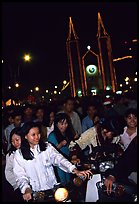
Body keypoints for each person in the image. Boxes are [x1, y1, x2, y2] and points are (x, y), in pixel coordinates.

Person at [13, 121, 92, 202]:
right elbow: (20, 176)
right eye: (33, 135)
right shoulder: (18, 155)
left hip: (53, 191)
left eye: (38, 133)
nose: (37, 137)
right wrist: (26, 189)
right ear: (26, 136)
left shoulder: (47, 147)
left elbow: (60, 159)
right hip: (35, 194)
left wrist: (75, 170)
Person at [48, 112, 76, 184]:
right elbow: (50, 153)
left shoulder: (67, 134)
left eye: (66, 123)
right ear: (56, 124)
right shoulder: (52, 136)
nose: (64, 126)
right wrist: (60, 144)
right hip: (58, 165)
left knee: (69, 182)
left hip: (68, 161)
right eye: (62, 124)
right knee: (62, 183)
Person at [5, 127, 23, 201]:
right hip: (18, 185)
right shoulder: (10, 155)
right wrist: (17, 183)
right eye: (12, 141)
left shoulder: (31, 150)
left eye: (17, 140)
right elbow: (8, 171)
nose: (15, 143)